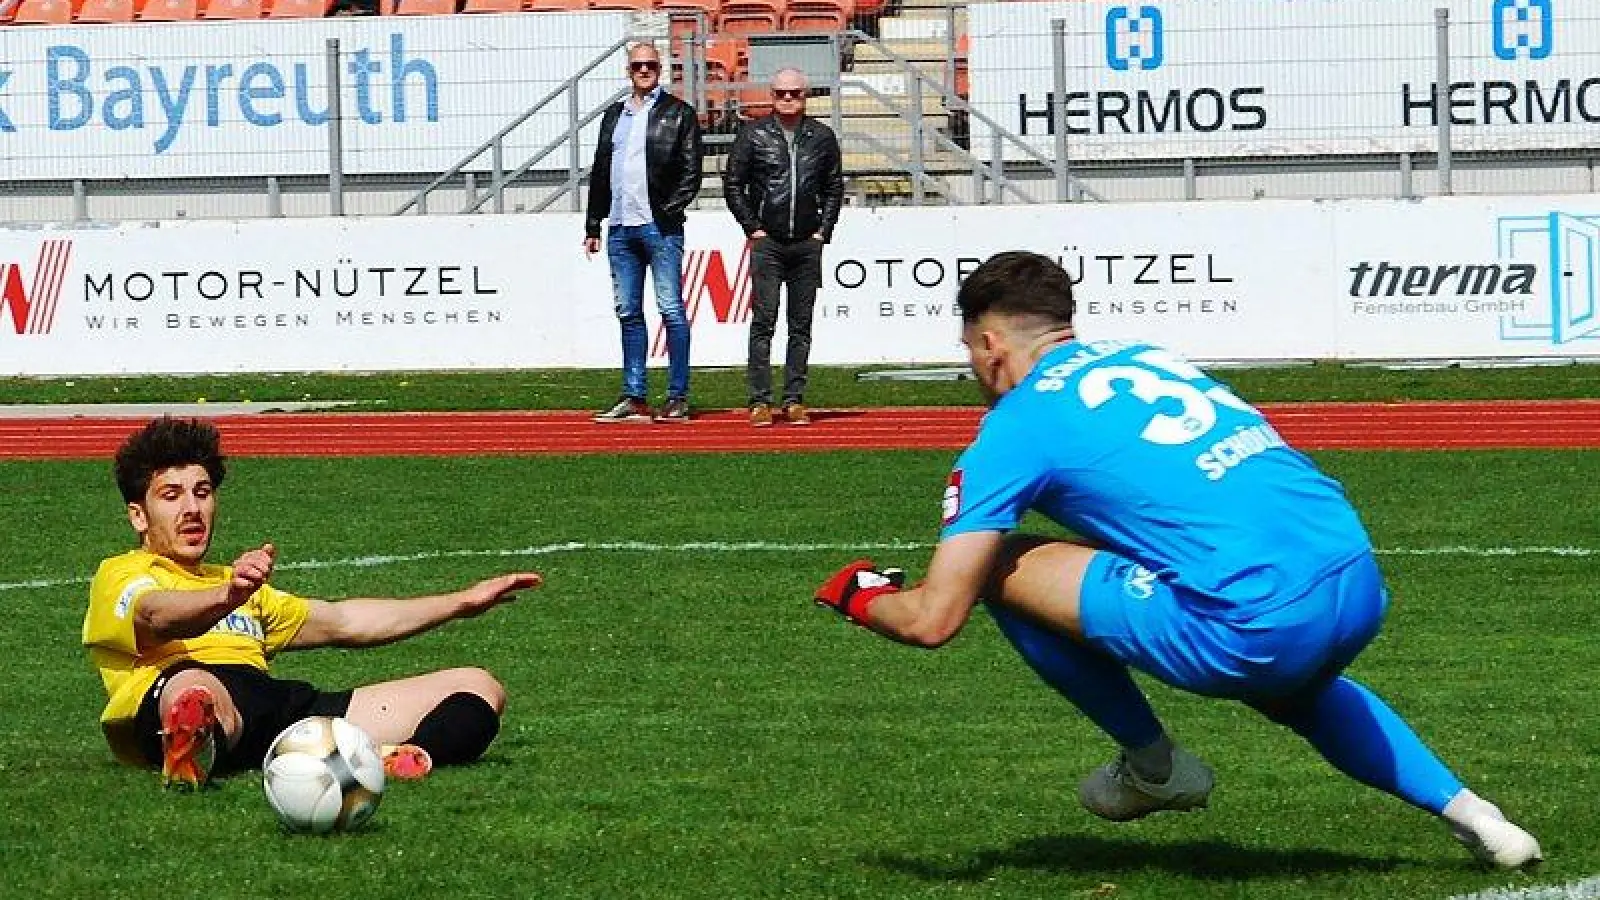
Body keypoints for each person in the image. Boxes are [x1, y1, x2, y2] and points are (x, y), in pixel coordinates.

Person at [812, 251, 1542, 870]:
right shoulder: (1146, 356)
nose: (973, 365)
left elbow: (934, 618)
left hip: (1256, 624)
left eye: (971, 348)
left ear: (992, 343)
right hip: (1354, 577)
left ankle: (1154, 768)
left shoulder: (1016, 424)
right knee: (1295, 688)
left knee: (1000, 567)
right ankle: (1478, 816)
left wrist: (856, 592)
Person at [83, 416, 543, 788]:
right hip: (178, 693)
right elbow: (155, 615)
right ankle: (193, 737)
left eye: (202, 493)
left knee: (478, 686)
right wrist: (229, 596)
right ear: (138, 515)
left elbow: (345, 620)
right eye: (172, 495)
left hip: (270, 710)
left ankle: (403, 757)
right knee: (194, 688)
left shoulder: (239, 583)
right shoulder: (123, 574)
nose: (192, 509)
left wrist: (462, 602)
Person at [584, 40, 705, 425]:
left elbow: (691, 172)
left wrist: (668, 211)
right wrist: (593, 223)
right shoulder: (614, 115)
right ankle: (634, 396)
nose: (643, 71)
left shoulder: (678, 113)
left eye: (650, 65)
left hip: (660, 227)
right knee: (628, 312)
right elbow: (601, 170)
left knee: (671, 308)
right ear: (628, 70)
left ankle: (677, 396)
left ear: (660, 69)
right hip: (620, 227)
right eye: (637, 65)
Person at [722, 67, 844, 428]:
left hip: (807, 242)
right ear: (771, 96)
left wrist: (823, 230)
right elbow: (733, 184)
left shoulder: (822, 137)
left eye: (795, 93)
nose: (788, 99)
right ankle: (759, 400)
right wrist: (752, 227)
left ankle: (794, 399)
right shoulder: (752, 134)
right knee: (764, 321)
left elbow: (834, 186)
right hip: (768, 244)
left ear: (805, 96)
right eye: (781, 93)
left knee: (800, 325)